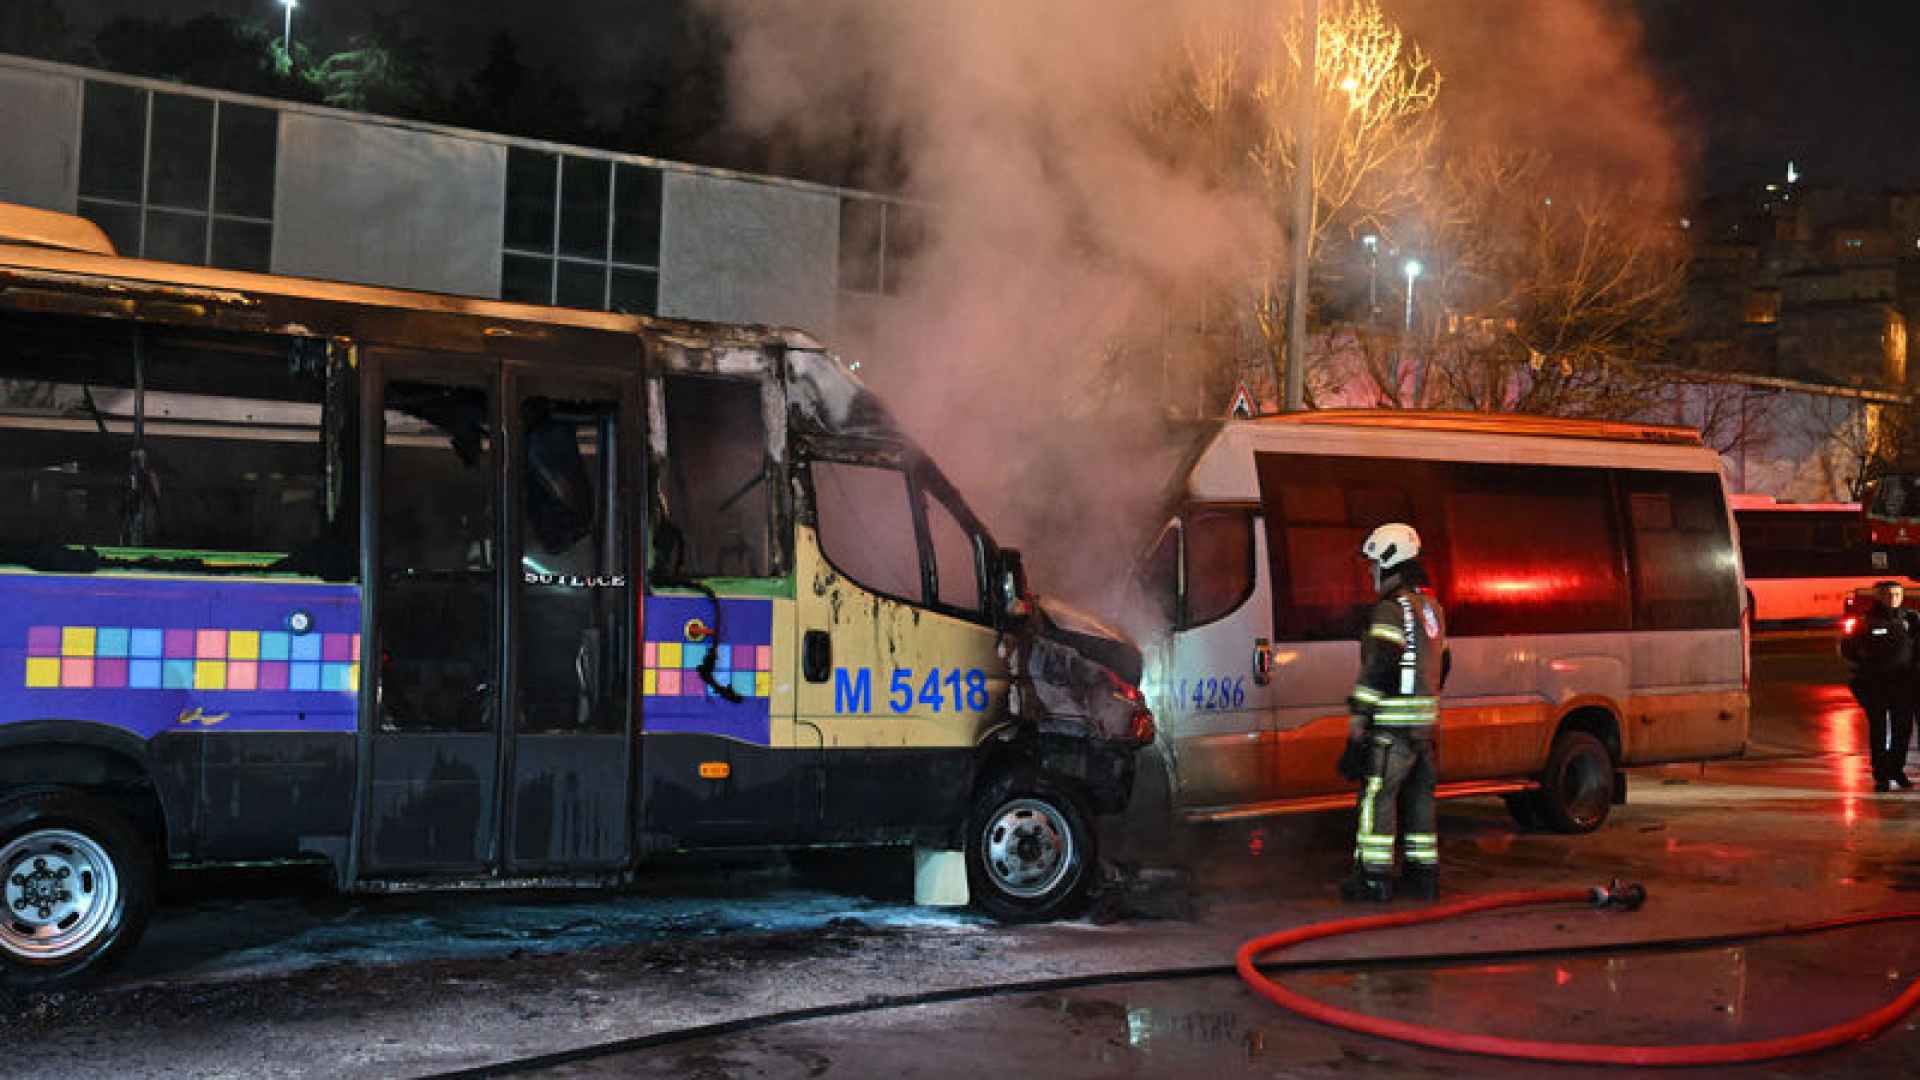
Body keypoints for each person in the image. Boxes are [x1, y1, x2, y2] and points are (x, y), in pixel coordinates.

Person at [1340, 522, 1450, 903]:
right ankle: (1423, 878)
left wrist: (1359, 714)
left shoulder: (1390, 608)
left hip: (1392, 729)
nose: (1370, 572)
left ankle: (1374, 879)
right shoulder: (1429, 608)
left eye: (1373, 564)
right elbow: (1443, 664)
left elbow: (1380, 664)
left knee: (1377, 797)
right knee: (1420, 799)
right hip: (1424, 727)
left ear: (1389, 561)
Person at [1839, 580, 1918, 792]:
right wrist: (1867, 664)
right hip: (1876, 685)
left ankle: (1897, 770)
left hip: (1903, 686)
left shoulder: (1909, 619)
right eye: (1889, 594)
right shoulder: (1867, 621)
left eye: (1897, 594)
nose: (1893, 598)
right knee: (1879, 731)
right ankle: (1881, 775)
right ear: (1880, 596)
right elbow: (1848, 648)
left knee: (1903, 730)